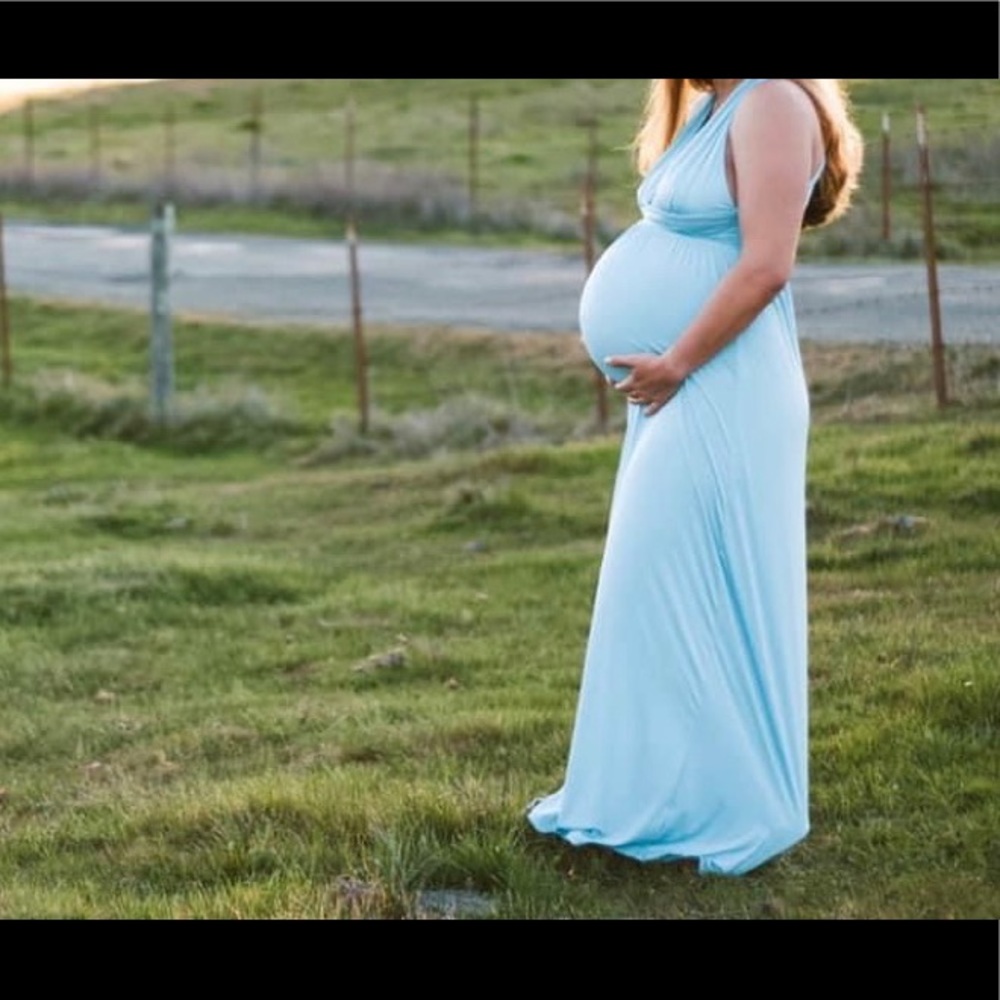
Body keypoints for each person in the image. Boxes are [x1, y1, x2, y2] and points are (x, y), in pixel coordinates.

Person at [526, 79, 864, 876]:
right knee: (658, 594)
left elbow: (767, 266)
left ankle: (716, 808)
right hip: (685, 388)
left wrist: (676, 361)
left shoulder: (772, 100)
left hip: (722, 385)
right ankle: (653, 795)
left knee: (681, 591)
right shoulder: (708, 105)